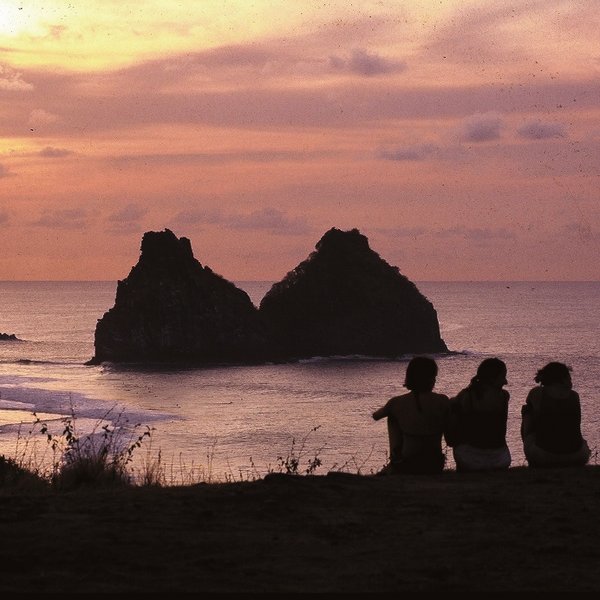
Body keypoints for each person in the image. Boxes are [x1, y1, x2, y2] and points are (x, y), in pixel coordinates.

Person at [372, 356, 450, 474]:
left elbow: (376, 416)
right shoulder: (443, 400)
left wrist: (393, 408)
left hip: (408, 463)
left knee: (392, 417)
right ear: (431, 379)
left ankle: (394, 460)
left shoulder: (397, 402)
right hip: (434, 463)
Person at [521, 362, 591, 468]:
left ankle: (533, 457)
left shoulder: (537, 393)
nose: (571, 381)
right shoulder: (574, 396)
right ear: (562, 378)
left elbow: (531, 416)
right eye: (569, 377)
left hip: (543, 456)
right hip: (578, 456)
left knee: (526, 412)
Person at [447, 358, 511, 472]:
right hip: (501, 460)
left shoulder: (466, 396)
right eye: (502, 377)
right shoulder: (504, 396)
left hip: (470, 460)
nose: (505, 382)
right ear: (492, 378)